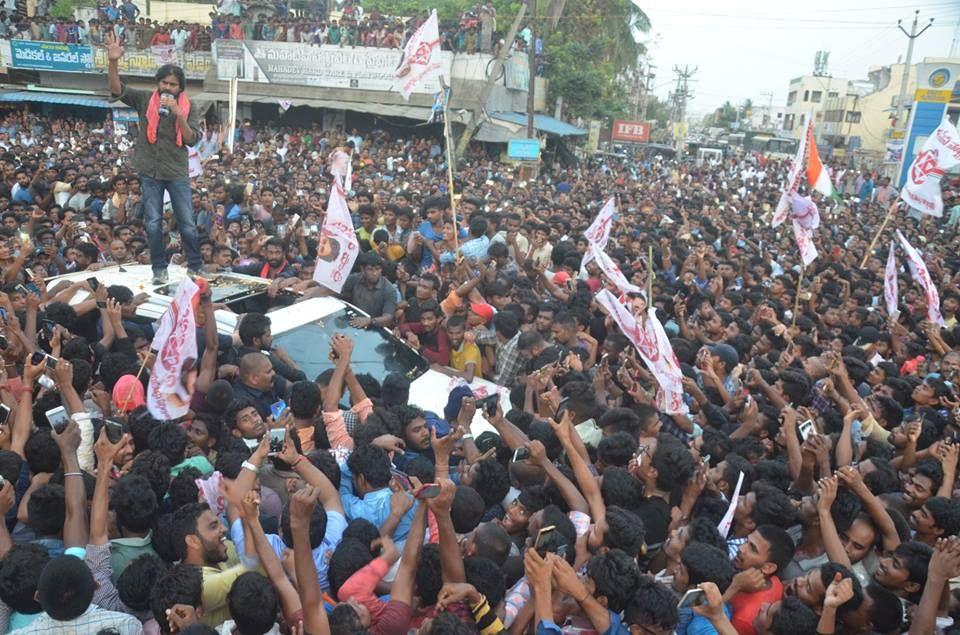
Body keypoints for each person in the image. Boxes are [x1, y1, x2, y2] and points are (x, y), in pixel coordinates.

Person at [105, 31, 202, 284]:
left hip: (177, 173)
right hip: (150, 171)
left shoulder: (190, 107)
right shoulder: (145, 99)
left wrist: (178, 114)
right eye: (164, 83)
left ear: (180, 88)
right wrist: (113, 61)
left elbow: (192, 139)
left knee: (187, 224)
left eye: (173, 85)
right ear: (158, 83)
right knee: (153, 224)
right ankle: (159, 269)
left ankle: (195, 266)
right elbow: (117, 89)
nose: (168, 88)